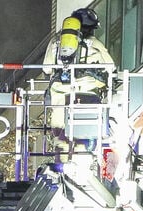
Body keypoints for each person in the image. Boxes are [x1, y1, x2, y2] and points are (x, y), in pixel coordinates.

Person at [42, 8, 115, 157]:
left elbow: (46, 69)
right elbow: (111, 67)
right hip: (87, 99)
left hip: (59, 101)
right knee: (88, 142)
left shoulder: (55, 42)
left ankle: (62, 162)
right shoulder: (94, 43)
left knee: (61, 144)